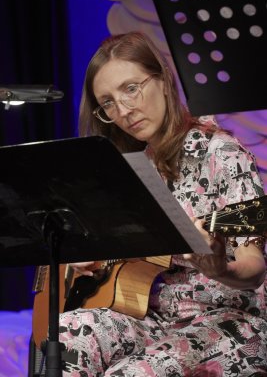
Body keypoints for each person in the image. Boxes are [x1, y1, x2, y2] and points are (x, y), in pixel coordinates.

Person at [59, 31, 267, 376]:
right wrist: (87, 257)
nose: (123, 110)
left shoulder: (221, 154)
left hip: (230, 322)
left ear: (163, 80)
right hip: (154, 318)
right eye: (108, 102)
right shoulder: (133, 167)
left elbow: (254, 268)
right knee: (66, 336)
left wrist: (220, 269)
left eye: (130, 89)